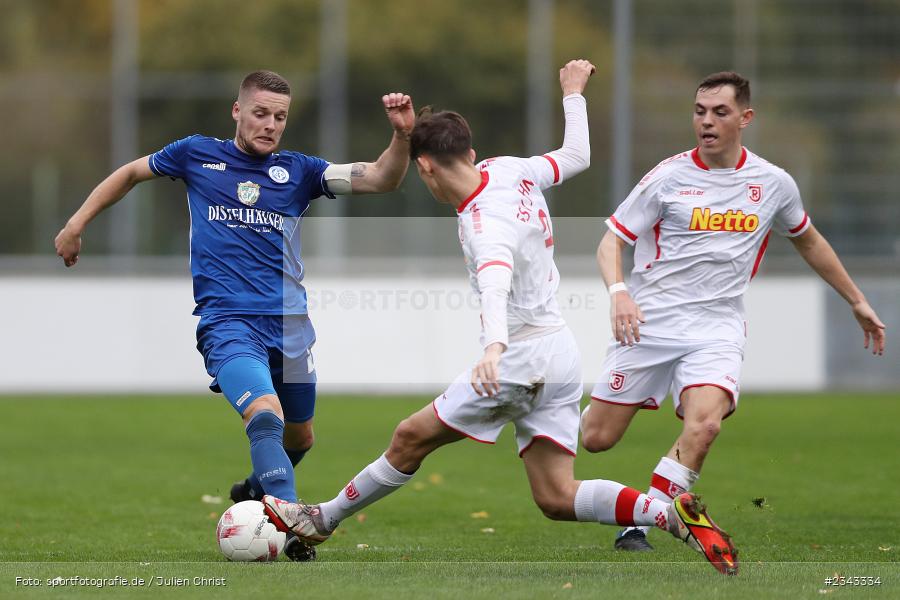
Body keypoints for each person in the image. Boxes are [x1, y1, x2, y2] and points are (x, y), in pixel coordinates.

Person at [261, 60, 739, 575]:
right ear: (470, 153)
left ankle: (322, 519)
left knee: (409, 437)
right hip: (559, 352)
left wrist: (494, 348)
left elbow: (495, 281)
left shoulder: (483, 221)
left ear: (426, 169)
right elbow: (576, 155)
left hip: (518, 358)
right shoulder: (509, 169)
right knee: (556, 495)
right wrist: (573, 93)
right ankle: (668, 514)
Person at [54, 70, 416, 561]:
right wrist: (76, 224)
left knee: (300, 437)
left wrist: (402, 136)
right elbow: (130, 173)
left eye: (280, 117)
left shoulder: (301, 171)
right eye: (261, 113)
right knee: (264, 413)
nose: (271, 125)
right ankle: (292, 525)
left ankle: (253, 491)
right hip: (228, 323)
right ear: (237, 111)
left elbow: (380, 178)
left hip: (290, 326)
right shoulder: (196, 154)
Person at [582, 71, 887, 552]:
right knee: (597, 438)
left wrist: (856, 299)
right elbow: (610, 242)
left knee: (705, 425)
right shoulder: (668, 177)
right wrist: (620, 292)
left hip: (716, 328)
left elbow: (808, 240)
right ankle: (566, 419)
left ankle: (641, 524)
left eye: (719, 112)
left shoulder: (773, 183)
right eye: (699, 111)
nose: (706, 121)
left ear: (745, 118)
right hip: (650, 324)